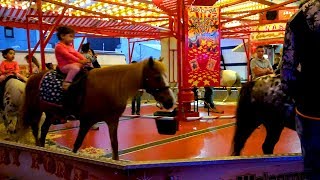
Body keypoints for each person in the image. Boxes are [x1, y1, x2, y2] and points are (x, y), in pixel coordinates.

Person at [281, 0, 320, 179]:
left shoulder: (298, 18)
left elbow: (288, 65)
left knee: (313, 162)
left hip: (311, 102)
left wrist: (291, 91)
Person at [54, 26, 90, 90]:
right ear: (62, 36)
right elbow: (68, 55)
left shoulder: (70, 46)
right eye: (70, 36)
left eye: (73, 37)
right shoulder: (59, 46)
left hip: (72, 63)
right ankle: (67, 82)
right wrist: (80, 61)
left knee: (87, 65)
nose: (72, 39)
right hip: (64, 66)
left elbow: (76, 53)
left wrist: (84, 59)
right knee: (75, 68)